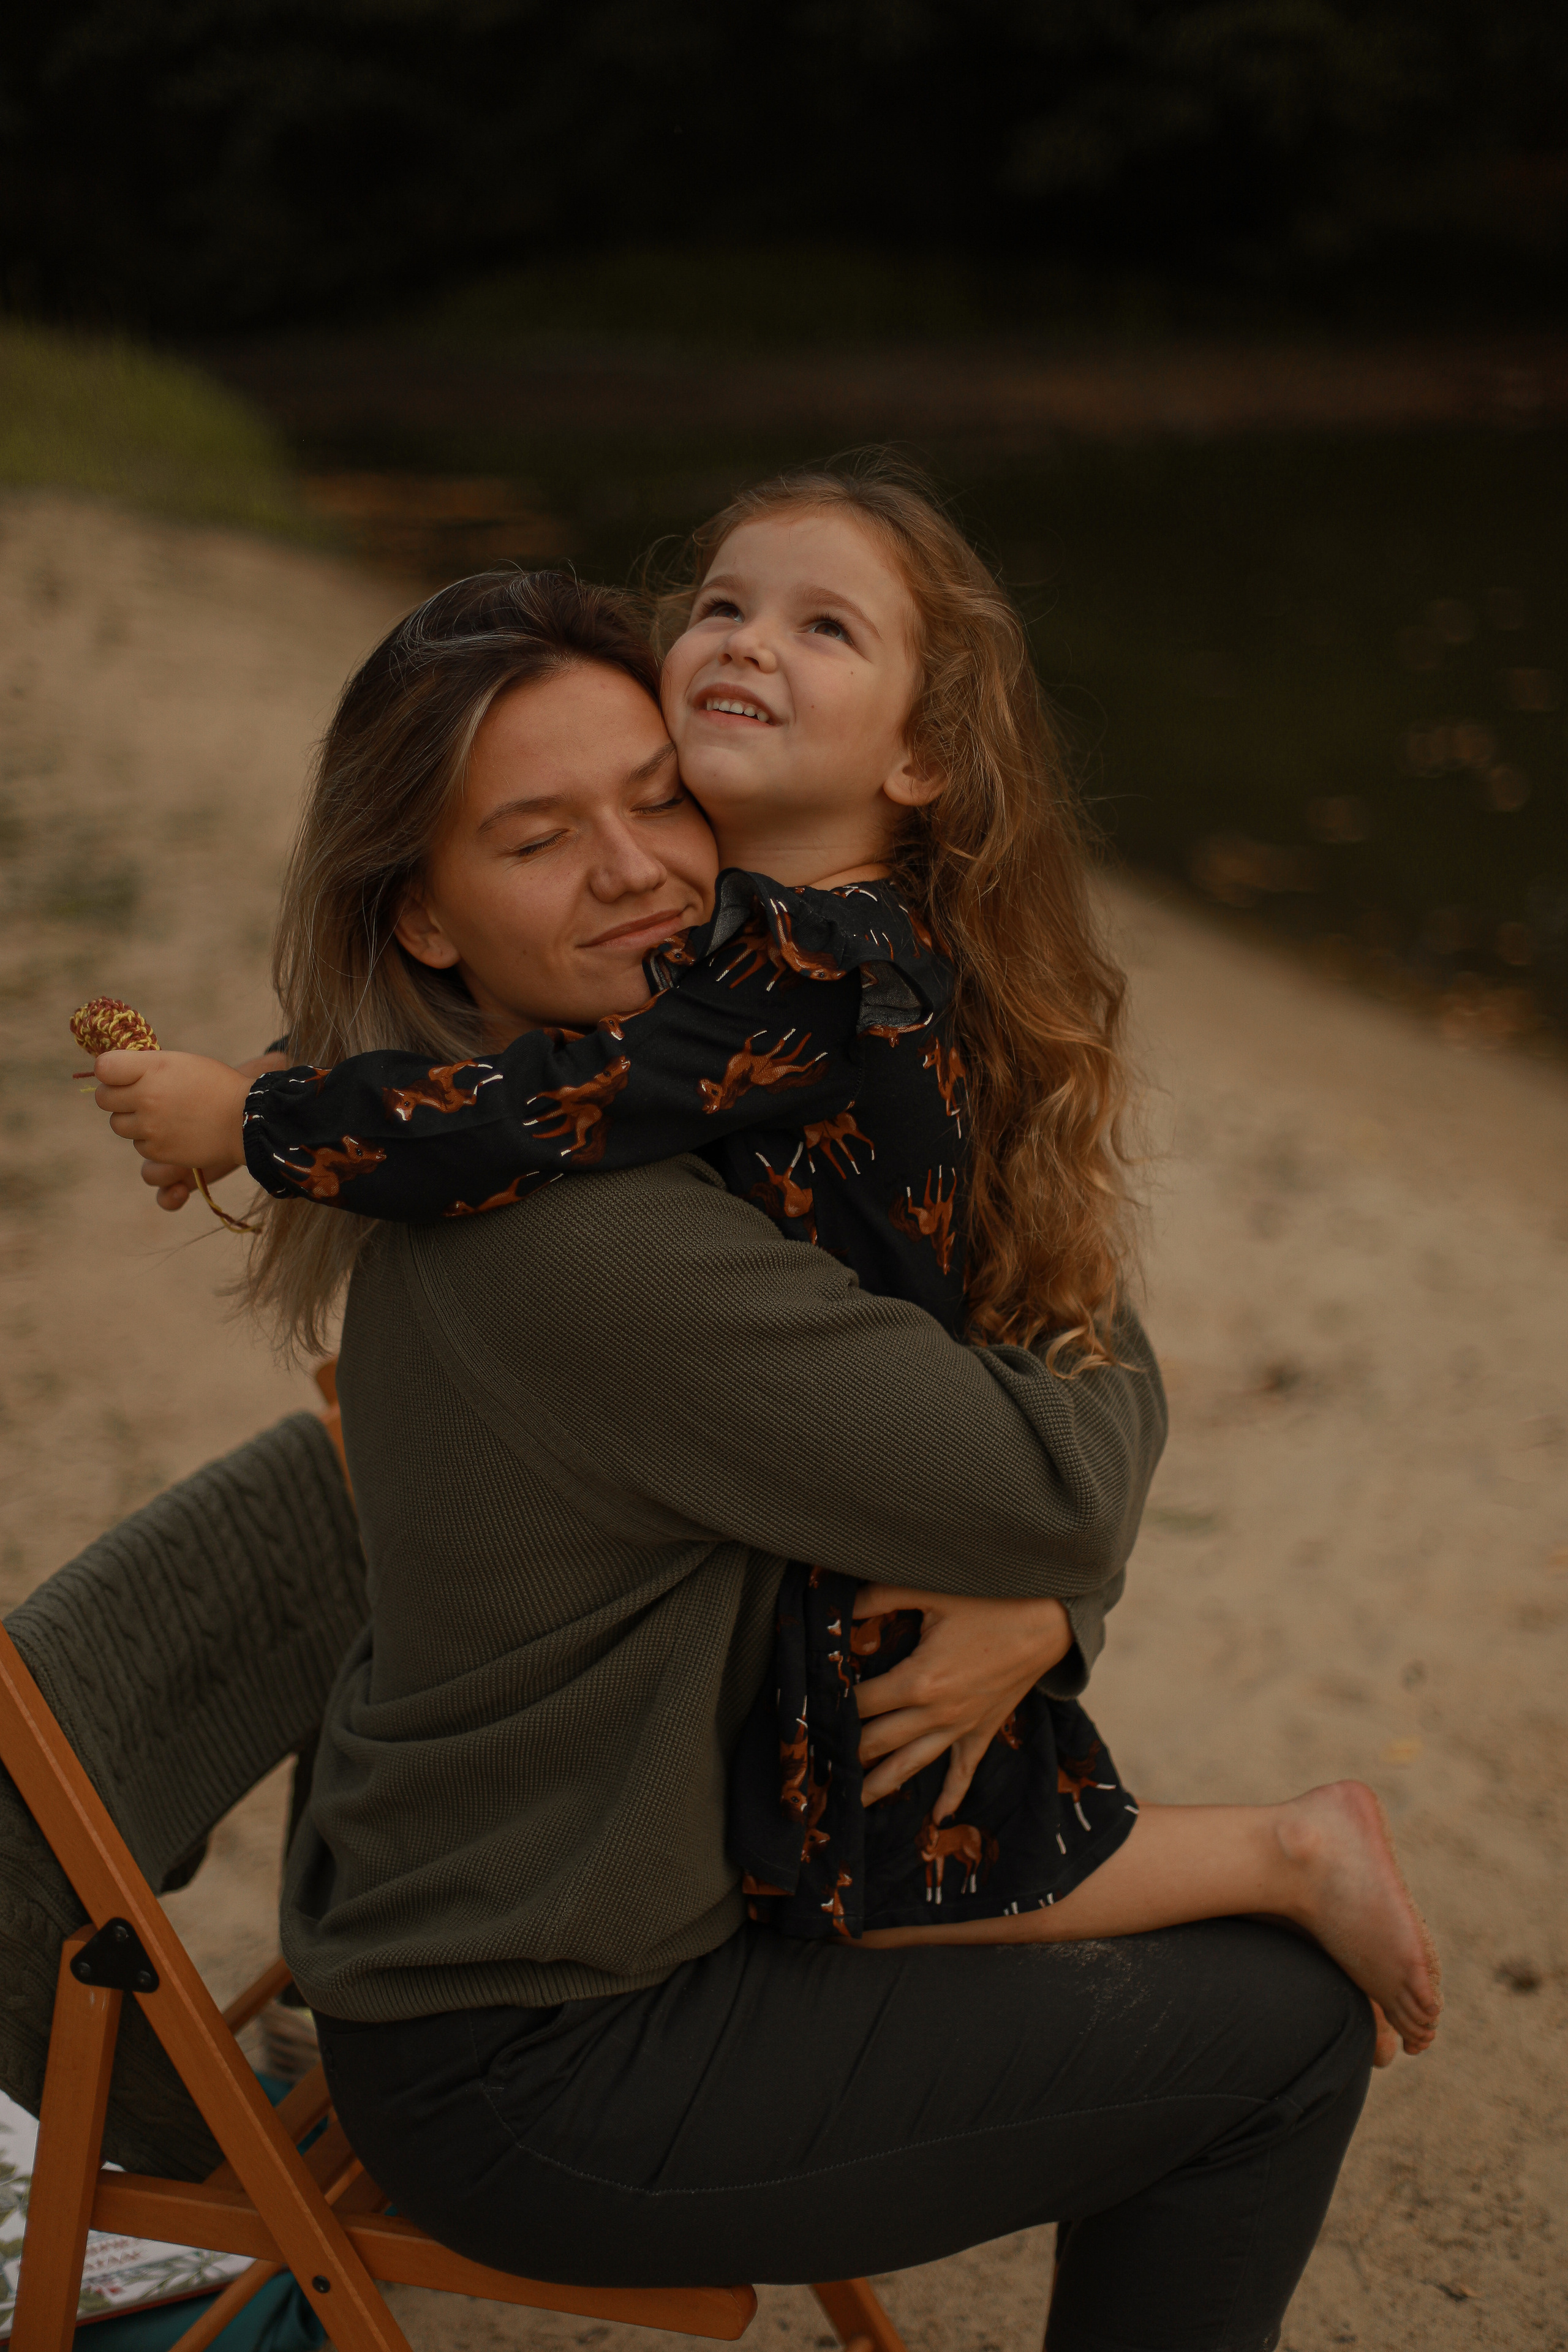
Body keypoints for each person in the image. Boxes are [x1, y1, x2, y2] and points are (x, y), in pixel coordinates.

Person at [92, 468, 1440, 2062]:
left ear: (910, 756)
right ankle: (1279, 1853)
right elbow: (519, 1114)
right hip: (583, 1927)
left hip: (831, 1558)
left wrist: (257, 1115)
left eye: (660, 800)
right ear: (425, 919)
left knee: (901, 1843)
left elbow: (1059, 1317)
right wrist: (1047, 1562)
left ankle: (1283, 1849)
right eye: (722, 606)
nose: (636, 868)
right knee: (903, 1855)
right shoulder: (667, 1095)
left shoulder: (788, 977)